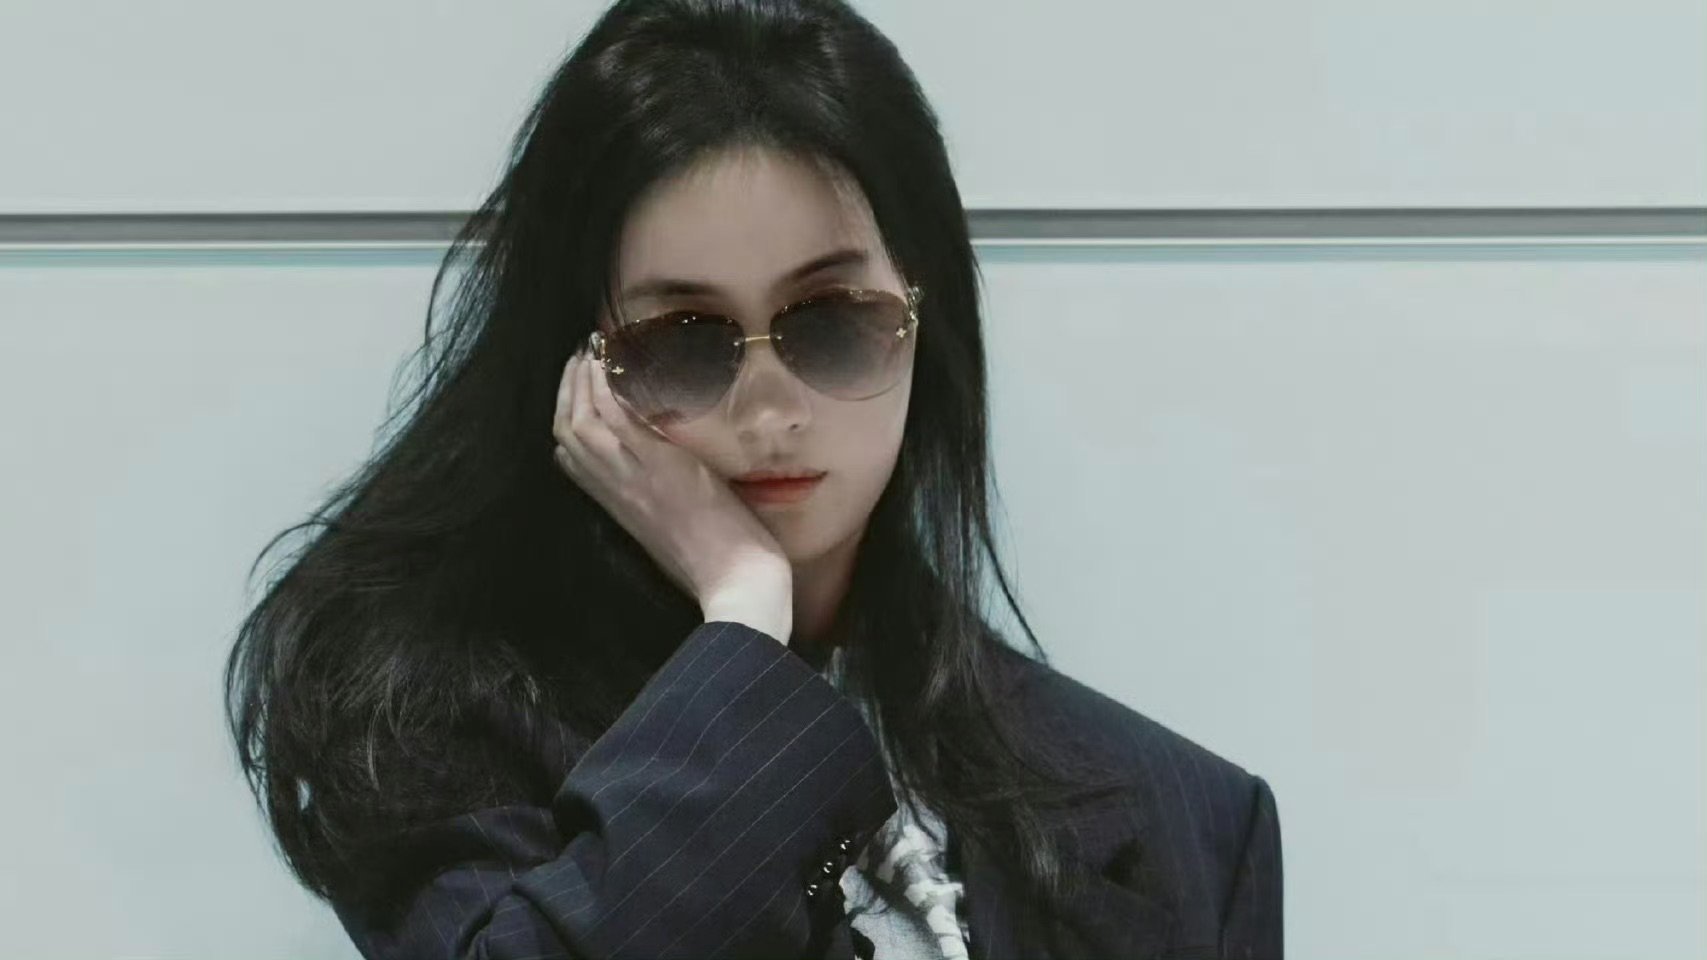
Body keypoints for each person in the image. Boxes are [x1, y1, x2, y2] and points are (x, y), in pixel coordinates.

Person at [222, 1, 1282, 957]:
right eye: (683, 342)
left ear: (926, 323)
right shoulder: (423, 719)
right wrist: (743, 621)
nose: (770, 413)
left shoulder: (1186, 825)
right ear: (576, 366)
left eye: (834, 324)